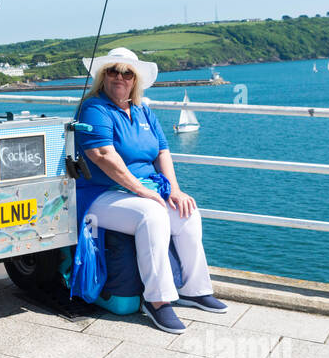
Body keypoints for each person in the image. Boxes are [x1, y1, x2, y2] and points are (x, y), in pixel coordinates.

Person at [73, 47, 227, 334]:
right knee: (153, 215)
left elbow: (162, 151)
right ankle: (156, 302)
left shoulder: (143, 109)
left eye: (127, 72)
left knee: (187, 213)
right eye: (113, 71)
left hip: (141, 191)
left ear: (135, 80)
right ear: (102, 76)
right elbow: (103, 156)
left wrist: (176, 190)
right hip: (100, 194)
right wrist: (141, 191)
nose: (120, 77)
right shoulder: (94, 108)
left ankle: (194, 289)